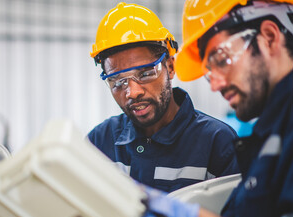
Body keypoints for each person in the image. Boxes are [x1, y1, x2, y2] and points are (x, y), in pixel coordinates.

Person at [115, 0, 293, 217]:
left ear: (270, 37)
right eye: (210, 71)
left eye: (221, 59)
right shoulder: (272, 133)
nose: (216, 85)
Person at [88, 2, 239, 193]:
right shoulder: (100, 141)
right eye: (117, 81)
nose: (133, 92)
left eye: (145, 74)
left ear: (170, 67)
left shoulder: (216, 143)